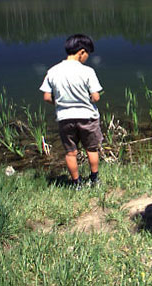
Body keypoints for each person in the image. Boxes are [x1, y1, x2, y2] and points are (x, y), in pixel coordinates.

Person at [40, 34, 103, 188]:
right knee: (91, 149)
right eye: (87, 54)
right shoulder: (87, 71)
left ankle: (76, 183)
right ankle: (94, 179)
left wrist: (60, 103)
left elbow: (47, 97)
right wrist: (90, 97)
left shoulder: (53, 71)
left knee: (71, 152)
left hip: (65, 117)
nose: (87, 57)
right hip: (87, 116)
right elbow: (96, 97)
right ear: (82, 52)